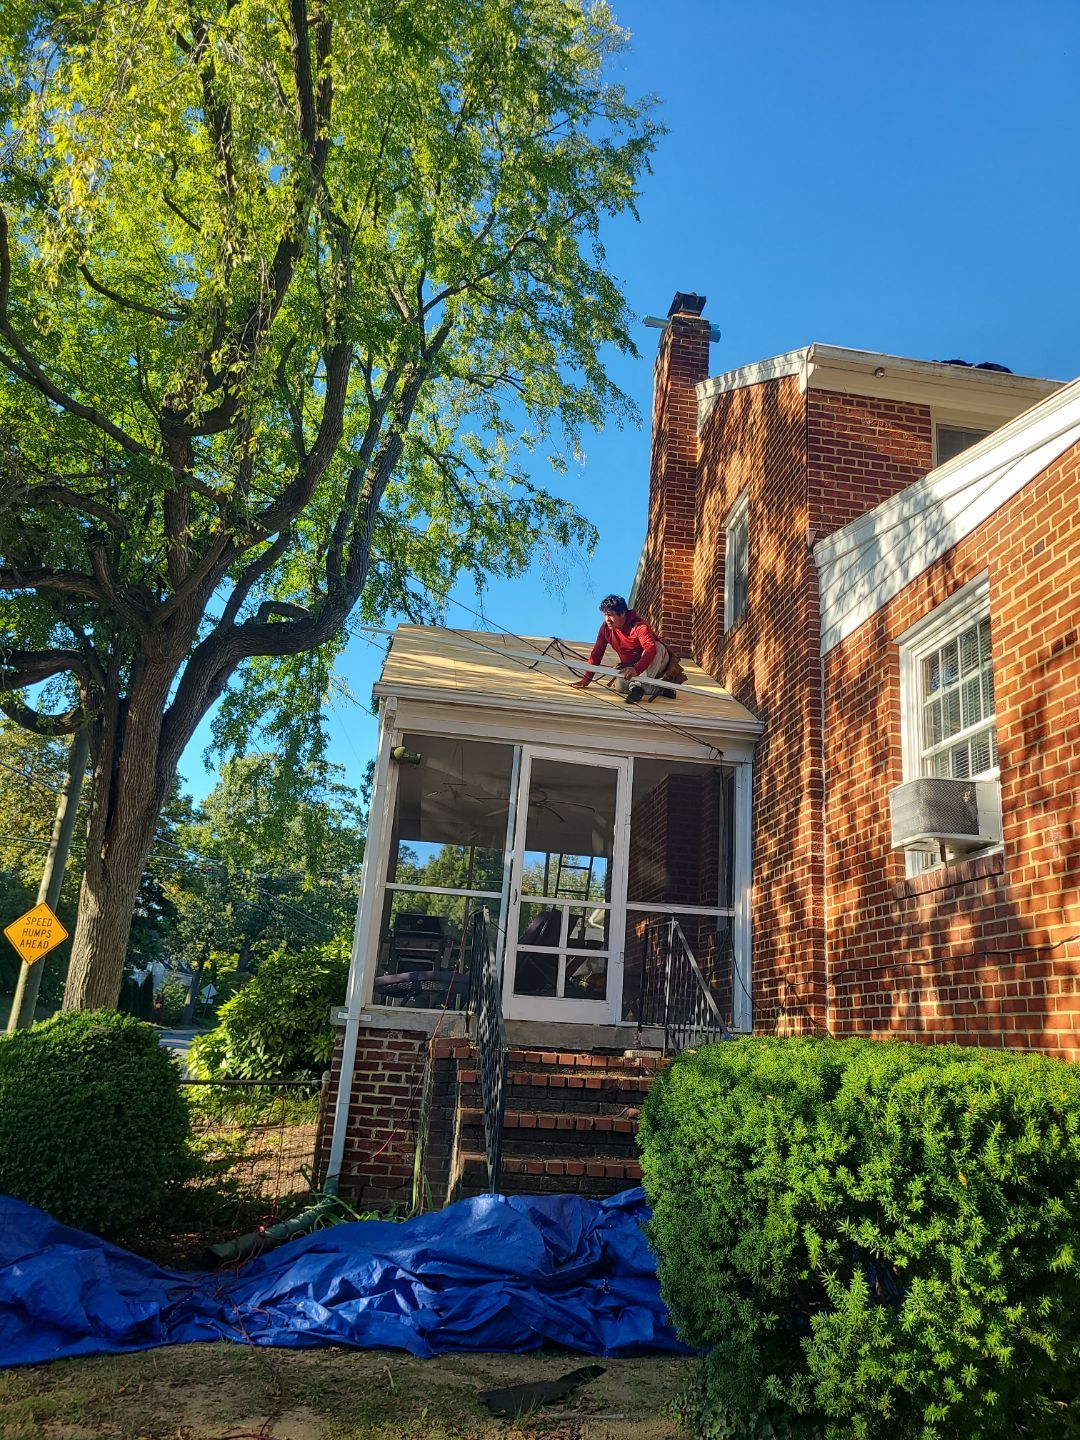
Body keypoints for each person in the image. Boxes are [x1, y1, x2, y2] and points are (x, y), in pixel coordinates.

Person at [569, 594, 670, 703]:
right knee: (619, 685)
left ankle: (638, 686)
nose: (607, 619)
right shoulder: (605, 629)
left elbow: (650, 649)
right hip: (633, 669)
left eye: (610, 615)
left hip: (656, 664)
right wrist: (586, 679)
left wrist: (636, 669)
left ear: (622, 613)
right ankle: (657, 689)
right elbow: (596, 654)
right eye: (605, 615)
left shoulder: (639, 625)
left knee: (657, 647)